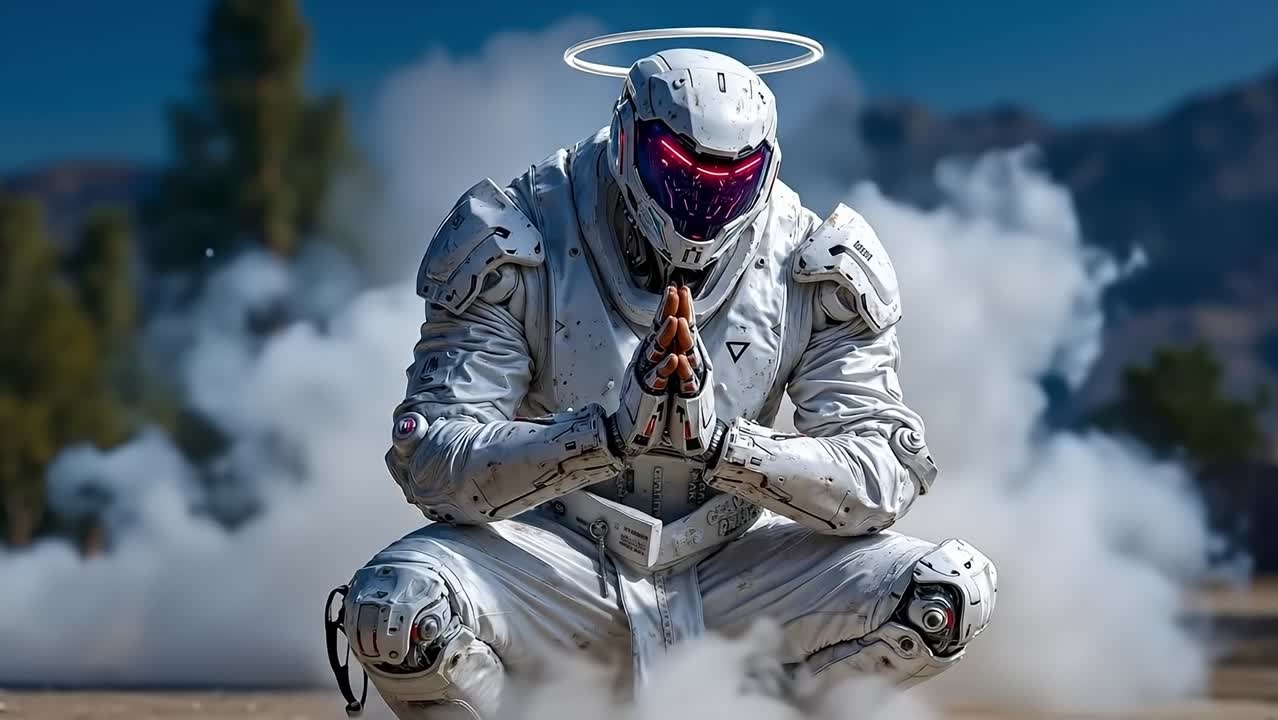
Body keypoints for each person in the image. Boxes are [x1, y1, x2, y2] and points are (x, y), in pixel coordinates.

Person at [328, 47, 996, 720]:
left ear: (766, 168)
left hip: (736, 562)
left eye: (730, 181)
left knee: (944, 596)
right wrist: (602, 437)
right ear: (627, 139)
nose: (702, 201)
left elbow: (884, 470)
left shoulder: (815, 261)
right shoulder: (512, 238)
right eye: (679, 173)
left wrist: (726, 450)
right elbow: (434, 460)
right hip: (555, 559)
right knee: (396, 607)